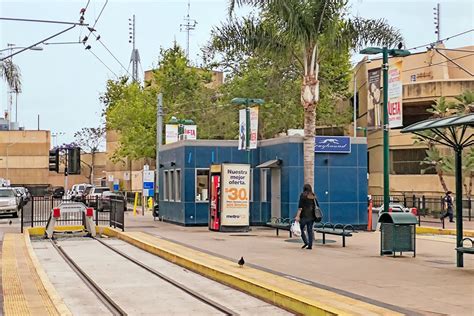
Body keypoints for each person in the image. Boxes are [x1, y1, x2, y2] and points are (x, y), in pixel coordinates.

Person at [295, 184, 318, 250]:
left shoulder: (303, 195)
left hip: (304, 216)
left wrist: (297, 216)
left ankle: (306, 242)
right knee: (309, 230)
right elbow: (317, 205)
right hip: (312, 216)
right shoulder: (313, 196)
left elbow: (300, 207)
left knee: (301, 229)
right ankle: (310, 245)